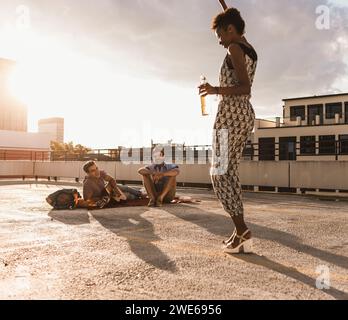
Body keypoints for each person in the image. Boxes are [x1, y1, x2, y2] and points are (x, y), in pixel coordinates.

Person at [199, 1, 258, 254]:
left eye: (220, 34)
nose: (220, 41)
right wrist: (224, 7)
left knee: (218, 173)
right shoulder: (248, 46)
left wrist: (215, 90)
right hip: (244, 115)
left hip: (231, 115)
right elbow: (234, 20)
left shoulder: (234, 47)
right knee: (230, 171)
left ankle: (243, 230)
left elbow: (245, 86)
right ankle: (239, 233)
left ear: (231, 29)